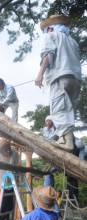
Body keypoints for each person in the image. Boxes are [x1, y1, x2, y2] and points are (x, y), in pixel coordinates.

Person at [35, 14, 82, 152]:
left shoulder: (51, 36)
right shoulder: (72, 40)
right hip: (76, 79)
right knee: (69, 111)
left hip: (60, 76)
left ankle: (67, 143)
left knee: (58, 110)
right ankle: (64, 139)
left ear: (50, 28)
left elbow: (48, 55)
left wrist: (40, 74)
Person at [42, 115, 56, 187]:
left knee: (50, 170)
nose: (47, 122)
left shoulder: (55, 129)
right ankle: (48, 189)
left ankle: (48, 188)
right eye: (46, 121)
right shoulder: (44, 129)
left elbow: (54, 137)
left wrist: (47, 141)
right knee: (49, 171)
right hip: (46, 149)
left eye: (48, 121)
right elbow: (43, 138)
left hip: (54, 149)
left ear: (52, 121)